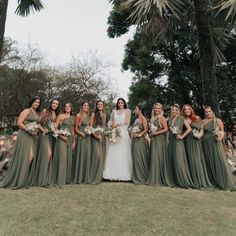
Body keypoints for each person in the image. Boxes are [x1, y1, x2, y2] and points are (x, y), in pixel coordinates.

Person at [0, 96, 41, 189]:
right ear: (31, 102)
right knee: (30, 156)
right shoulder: (26, 111)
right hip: (25, 135)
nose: (37, 103)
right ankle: (20, 179)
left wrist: (36, 130)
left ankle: (24, 179)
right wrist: (28, 129)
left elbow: (37, 124)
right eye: (35, 102)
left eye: (38, 102)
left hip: (33, 136)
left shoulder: (37, 113)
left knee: (30, 157)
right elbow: (19, 123)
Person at [202, 106, 236, 190]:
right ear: (205, 113)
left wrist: (220, 138)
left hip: (215, 142)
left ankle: (224, 181)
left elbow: (222, 132)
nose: (208, 113)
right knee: (208, 160)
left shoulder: (217, 121)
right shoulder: (203, 121)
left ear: (212, 111)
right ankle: (212, 180)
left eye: (209, 111)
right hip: (205, 143)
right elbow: (202, 132)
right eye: (206, 112)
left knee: (218, 160)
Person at [182, 104, 213, 188]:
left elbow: (202, 129)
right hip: (185, 141)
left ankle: (199, 180)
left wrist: (200, 135)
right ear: (183, 111)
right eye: (185, 110)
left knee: (195, 159)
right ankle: (190, 180)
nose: (187, 111)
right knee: (188, 160)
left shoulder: (197, 118)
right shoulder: (182, 119)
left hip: (195, 141)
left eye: (188, 109)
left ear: (191, 110)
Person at [103, 98, 132, 181]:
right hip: (114, 133)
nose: (120, 104)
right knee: (113, 152)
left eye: (121, 102)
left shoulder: (127, 111)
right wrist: (112, 126)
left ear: (124, 103)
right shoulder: (114, 112)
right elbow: (110, 122)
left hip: (123, 133)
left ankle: (123, 175)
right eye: (119, 103)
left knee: (123, 153)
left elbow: (127, 122)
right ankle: (111, 174)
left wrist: (117, 125)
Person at [167, 104, 195, 188]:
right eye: (172, 110)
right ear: (171, 111)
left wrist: (182, 136)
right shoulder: (169, 120)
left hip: (178, 141)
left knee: (179, 160)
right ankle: (174, 180)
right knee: (172, 159)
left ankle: (183, 181)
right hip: (171, 141)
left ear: (178, 111)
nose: (174, 111)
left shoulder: (181, 118)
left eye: (176, 110)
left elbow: (189, 129)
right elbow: (168, 130)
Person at [34, 98, 60, 187]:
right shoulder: (45, 111)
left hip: (51, 137)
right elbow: (38, 122)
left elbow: (55, 126)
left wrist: (56, 130)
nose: (55, 105)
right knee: (48, 154)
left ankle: (46, 178)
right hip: (44, 135)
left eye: (57, 104)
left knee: (48, 156)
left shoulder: (56, 114)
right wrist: (42, 129)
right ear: (51, 103)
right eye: (54, 103)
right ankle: (42, 179)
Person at [147, 103, 173, 186]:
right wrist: (151, 133)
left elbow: (166, 129)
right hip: (154, 139)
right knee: (154, 156)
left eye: (158, 108)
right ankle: (154, 177)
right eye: (155, 108)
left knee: (158, 156)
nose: (157, 110)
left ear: (161, 110)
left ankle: (159, 178)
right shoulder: (152, 118)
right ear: (153, 109)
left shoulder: (161, 118)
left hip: (160, 139)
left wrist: (156, 133)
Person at [52, 102, 75, 187]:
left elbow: (72, 130)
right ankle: (59, 180)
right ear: (64, 108)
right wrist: (61, 136)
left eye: (69, 106)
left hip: (70, 140)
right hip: (62, 139)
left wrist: (74, 142)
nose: (68, 107)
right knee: (62, 158)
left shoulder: (73, 117)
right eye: (66, 106)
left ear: (71, 108)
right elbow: (54, 128)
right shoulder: (60, 116)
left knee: (68, 159)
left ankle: (65, 179)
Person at [73, 101, 92, 184]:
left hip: (88, 138)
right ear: (82, 106)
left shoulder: (90, 116)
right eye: (84, 105)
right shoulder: (78, 115)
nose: (86, 106)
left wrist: (89, 131)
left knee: (86, 155)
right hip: (80, 138)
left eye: (87, 105)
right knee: (80, 155)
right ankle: (78, 177)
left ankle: (85, 177)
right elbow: (75, 128)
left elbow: (91, 126)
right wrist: (81, 133)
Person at [131, 104, 149, 184]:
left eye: (136, 109)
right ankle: (136, 176)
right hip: (134, 140)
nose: (135, 110)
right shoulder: (136, 119)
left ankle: (142, 177)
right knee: (135, 157)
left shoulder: (143, 118)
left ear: (140, 110)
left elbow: (146, 129)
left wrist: (139, 135)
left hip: (140, 140)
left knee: (140, 157)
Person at [90, 100, 106, 184]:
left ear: (103, 106)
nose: (100, 105)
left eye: (101, 104)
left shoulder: (104, 114)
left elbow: (104, 126)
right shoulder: (93, 114)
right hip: (95, 137)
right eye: (98, 104)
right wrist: (95, 135)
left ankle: (99, 177)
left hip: (102, 137)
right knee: (97, 155)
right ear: (96, 106)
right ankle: (93, 176)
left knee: (102, 156)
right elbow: (90, 126)